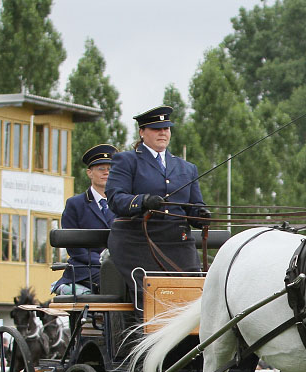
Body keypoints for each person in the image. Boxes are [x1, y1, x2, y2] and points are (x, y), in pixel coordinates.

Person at [104, 105, 210, 308]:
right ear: (142, 132)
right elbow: (115, 199)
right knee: (154, 301)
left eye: (166, 128)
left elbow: (194, 206)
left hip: (177, 242)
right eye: (156, 129)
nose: (163, 133)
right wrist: (142, 201)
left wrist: (200, 214)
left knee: (192, 299)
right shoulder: (127, 160)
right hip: (139, 241)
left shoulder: (186, 168)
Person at [52, 144, 119, 295]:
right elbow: (75, 248)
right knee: (116, 282)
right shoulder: (75, 204)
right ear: (90, 173)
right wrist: (105, 262)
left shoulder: (123, 203)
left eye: (110, 169)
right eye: (101, 169)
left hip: (119, 266)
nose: (106, 173)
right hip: (86, 270)